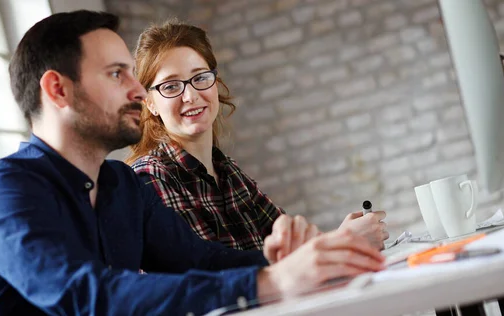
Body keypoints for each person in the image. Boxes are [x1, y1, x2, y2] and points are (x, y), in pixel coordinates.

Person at [0, 10, 385, 315]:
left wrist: (289, 259)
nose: (140, 93)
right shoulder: (2, 192)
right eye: (116, 74)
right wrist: (272, 282)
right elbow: (89, 299)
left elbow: (202, 261)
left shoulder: (121, 184)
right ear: (58, 90)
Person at [126, 20, 389, 252]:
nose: (190, 95)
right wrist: (341, 243)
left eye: (200, 77)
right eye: (171, 86)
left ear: (215, 83)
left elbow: (294, 249)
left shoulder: (228, 172)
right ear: (149, 102)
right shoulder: (151, 179)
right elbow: (218, 275)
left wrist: (342, 238)